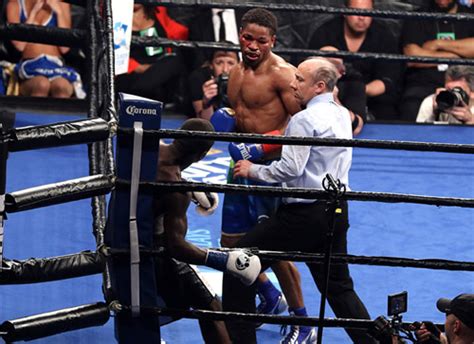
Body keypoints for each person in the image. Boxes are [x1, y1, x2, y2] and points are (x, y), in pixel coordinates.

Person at [223, 57, 375, 344]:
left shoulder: (303, 120)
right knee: (340, 289)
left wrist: (251, 170)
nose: (293, 84)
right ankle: (374, 342)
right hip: (336, 211)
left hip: (304, 216)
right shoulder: (342, 114)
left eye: (300, 80)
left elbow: (291, 168)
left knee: (238, 265)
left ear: (319, 86)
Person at [210, 8, 312, 338]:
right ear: (240, 35)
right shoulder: (235, 72)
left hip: (270, 169)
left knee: (272, 249)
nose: (253, 46)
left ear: (273, 42)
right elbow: (243, 115)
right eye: (247, 38)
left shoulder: (284, 75)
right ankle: (269, 295)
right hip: (239, 167)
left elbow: (301, 128)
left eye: (261, 41)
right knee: (231, 244)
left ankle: (302, 322)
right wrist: (227, 117)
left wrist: (260, 148)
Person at [152, 118, 263, 344]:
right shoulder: (176, 190)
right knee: (211, 307)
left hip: (123, 238)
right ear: (202, 155)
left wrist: (191, 186)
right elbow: (177, 246)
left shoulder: (150, 149)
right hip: (152, 254)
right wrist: (226, 261)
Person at [307, 0, 401, 121]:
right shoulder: (325, 33)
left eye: (367, 12)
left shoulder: (384, 36)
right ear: (345, 12)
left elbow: (389, 79)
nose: (361, 17)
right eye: (355, 11)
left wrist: (357, 92)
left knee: (389, 114)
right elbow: (312, 74)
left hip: (374, 99)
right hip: (332, 96)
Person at [400, 0, 474, 121]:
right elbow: (412, 56)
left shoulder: (470, 15)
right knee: (410, 106)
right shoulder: (417, 16)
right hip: (424, 85)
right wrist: (459, 56)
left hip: (467, 84)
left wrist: (438, 44)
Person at [6, 0, 85, 98]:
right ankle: (35, 113)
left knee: (61, 87)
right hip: (30, 67)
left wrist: (59, 12)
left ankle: (61, 113)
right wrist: (33, 13)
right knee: (41, 85)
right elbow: (19, 45)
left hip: (56, 66)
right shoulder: (15, 4)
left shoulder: (62, 4)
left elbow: (65, 48)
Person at [114, 4, 188, 105]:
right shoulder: (115, 18)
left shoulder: (159, 11)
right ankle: (136, 95)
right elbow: (114, 54)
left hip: (160, 70)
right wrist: (138, 67)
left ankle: (139, 95)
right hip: (130, 73)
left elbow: (178, 32)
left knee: (174, 61)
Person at [188, 47, 239, 119]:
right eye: (219, 63)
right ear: (211, 65)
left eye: (230, 63)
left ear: (239, 65)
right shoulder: (200, 81)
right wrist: (206, 104)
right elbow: (205, 126)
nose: (225, 69)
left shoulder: (247, 85)